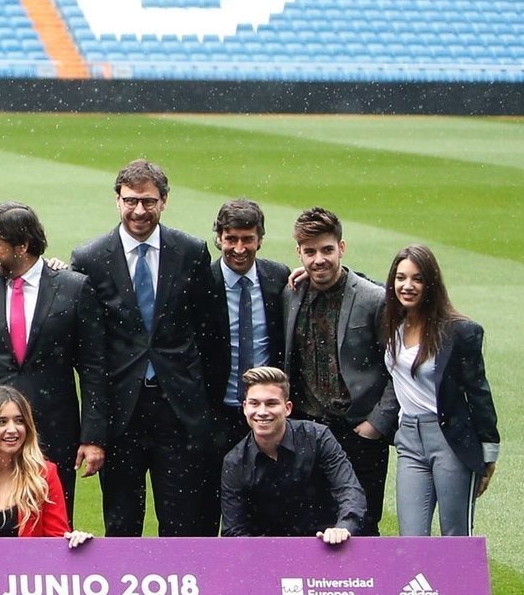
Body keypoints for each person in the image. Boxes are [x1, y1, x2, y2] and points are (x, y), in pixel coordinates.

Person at [69, 160, 227, 537]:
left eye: (149, 201)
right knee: (122, 523)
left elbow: (210, 335)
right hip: (122, 412)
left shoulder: (190, 251)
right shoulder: (90, 258)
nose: (139, 210)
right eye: (131, 201)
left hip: (179, 411)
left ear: (164, 201)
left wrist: (205, 408)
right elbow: (88, 351)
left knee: (183, 521)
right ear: (117, 200)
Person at [0, 202, 106, 517]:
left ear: (22, 245)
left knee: (50, 523)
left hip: (53, 429)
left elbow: (93, 368)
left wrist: (93, 437)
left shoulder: (73, 289)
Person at [375, 245, 498, 536]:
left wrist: (488, 454)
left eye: (417, 279)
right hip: (409, 440)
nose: (408, 286)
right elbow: (355, 282)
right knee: (412, 537)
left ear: (431, 283)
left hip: (450, 440)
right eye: (401, 277)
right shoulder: (392, 322)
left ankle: (460, 584)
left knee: (455, 536)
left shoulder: (459, 332)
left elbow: (479, 392)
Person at [281, 207, 390, 535]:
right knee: (308, 526)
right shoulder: (291, 292)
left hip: (358, 432)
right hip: (307, 432)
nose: (319, 260)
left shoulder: (373, 299)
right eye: (310, 252)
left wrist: (376, 424)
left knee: (363, 526)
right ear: (298, 252)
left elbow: (398, 369)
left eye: (327, 250)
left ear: (341, 248)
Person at [219, 368, 364, 544]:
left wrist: (343, 528)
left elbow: (349, 489)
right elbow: (234, 531)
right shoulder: (234, 462)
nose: (262, 411)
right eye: (254, 403)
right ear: (245, 408)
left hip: (327, 545)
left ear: (287, 408)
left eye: (271, 403)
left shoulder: (318, 438)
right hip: (268, 553)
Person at [0, 386, 92, 547]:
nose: (12, 430)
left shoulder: (44, 473)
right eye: (1, 422)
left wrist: (74, 540)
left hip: (28, 570)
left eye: (19, 421)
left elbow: (56, 541)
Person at [211, 199, 289, 450]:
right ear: (219, 238)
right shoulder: (202, 283)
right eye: (231, 239)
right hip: (218, 411)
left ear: (260, 239)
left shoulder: (279, 277)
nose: (239, 248)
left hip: (268, 412)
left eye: (247, 239)